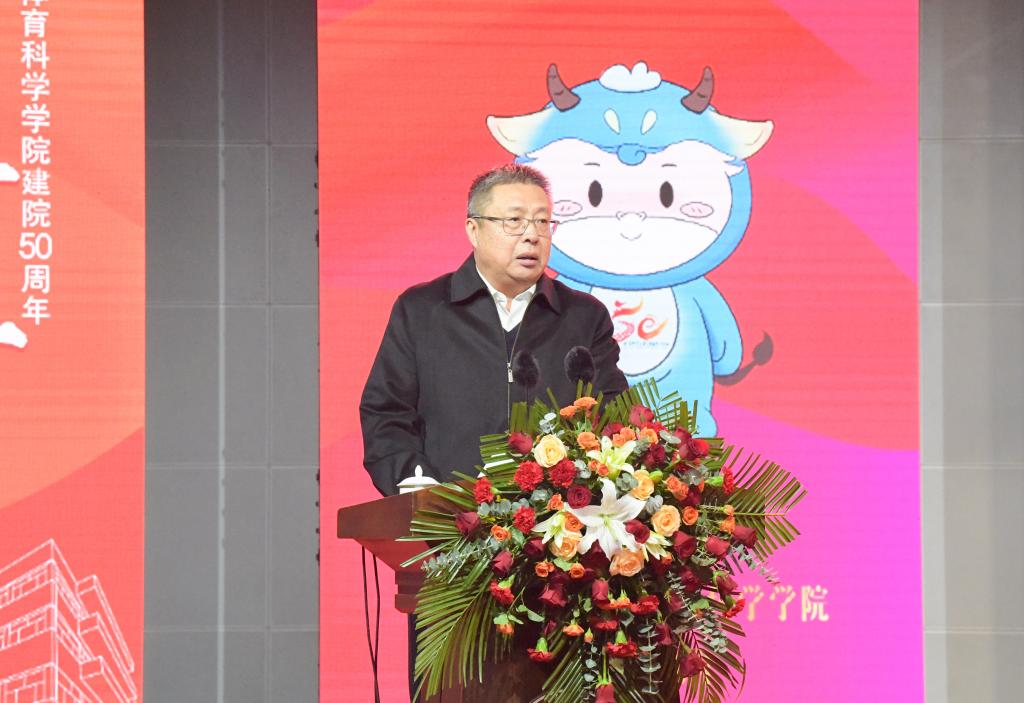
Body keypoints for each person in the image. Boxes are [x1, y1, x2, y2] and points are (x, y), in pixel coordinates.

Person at [358, 163, 628, 700]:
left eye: (543, 222)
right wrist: (414, 484)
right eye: (514, 221)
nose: (531, 235)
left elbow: (614, 421)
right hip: (452, 553)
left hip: (561, 562)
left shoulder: (583, 317)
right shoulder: (423, 311)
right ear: (473, 229)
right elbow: (386, 413)